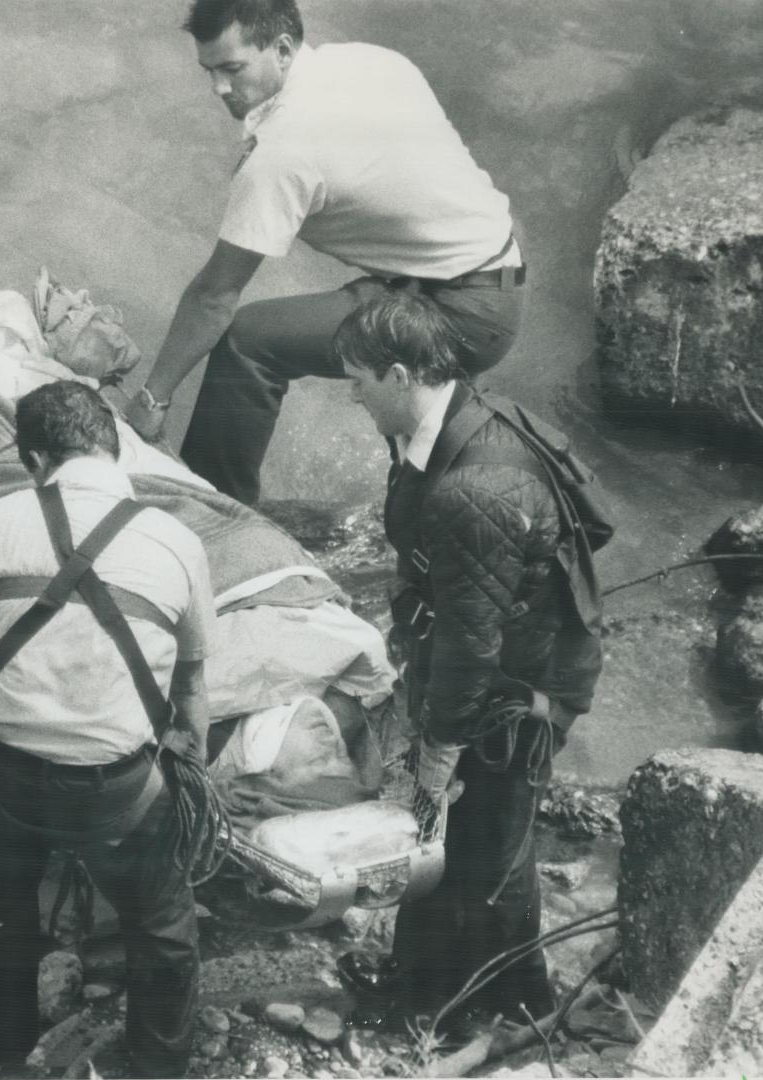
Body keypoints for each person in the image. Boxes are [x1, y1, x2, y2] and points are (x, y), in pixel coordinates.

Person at [0, 381, 215, 1077]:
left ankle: (2, 1055)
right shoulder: (179, 540)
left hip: (4, 782)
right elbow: (190, 688)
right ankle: (158, 1066)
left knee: (0, 911)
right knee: (162, 926)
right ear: (116, 449)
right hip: (119, 793)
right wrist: (189, 774)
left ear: (34, 460)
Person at [115, 0, 524, 506]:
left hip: (456, 311)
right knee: (412, 452)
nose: (219, 88)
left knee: (248, 342)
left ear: (282, 49)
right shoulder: (371, 61)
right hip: (494, 274)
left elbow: (213, 297)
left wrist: (152, 400)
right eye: (209, 71)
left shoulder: (285, 152)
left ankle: (214, 510)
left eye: (232, 68)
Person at [331, 293, 603, 1033]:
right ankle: (431, 985)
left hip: (516, 682)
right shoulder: (448, 424)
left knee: (486, 837)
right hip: (505, 653)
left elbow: (472, 645)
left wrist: (438, 748)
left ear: (397, 375)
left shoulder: (474, 485)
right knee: (460, 829)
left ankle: (505, 1007)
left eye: (356, 381)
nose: (352, 397)